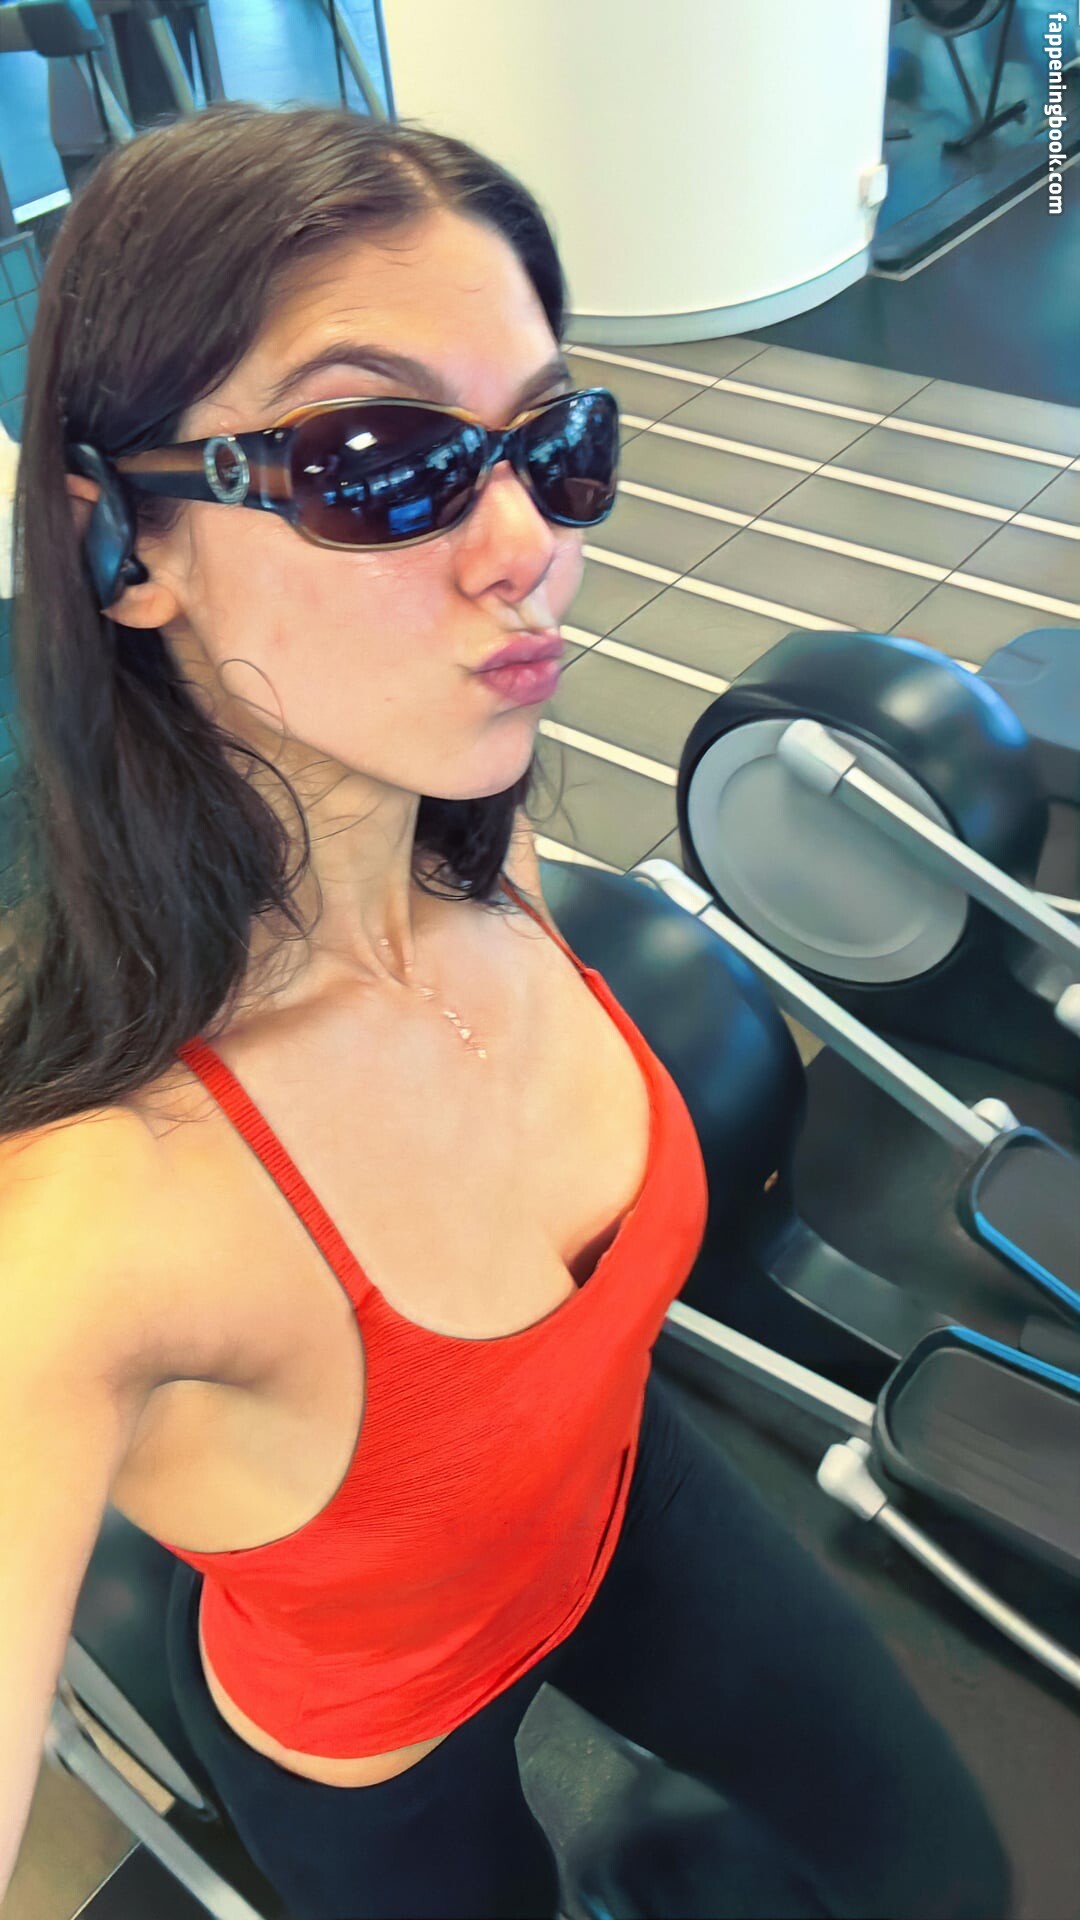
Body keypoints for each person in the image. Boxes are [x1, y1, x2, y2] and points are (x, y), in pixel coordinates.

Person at [0, 103, 1013, 1920]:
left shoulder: (471, 836)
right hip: (376, 1741)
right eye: (378, 461)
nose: (524, 543)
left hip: (622, 1494)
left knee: (940, 1870)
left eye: (555, 443)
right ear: (123, 545)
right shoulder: (91, 1220)